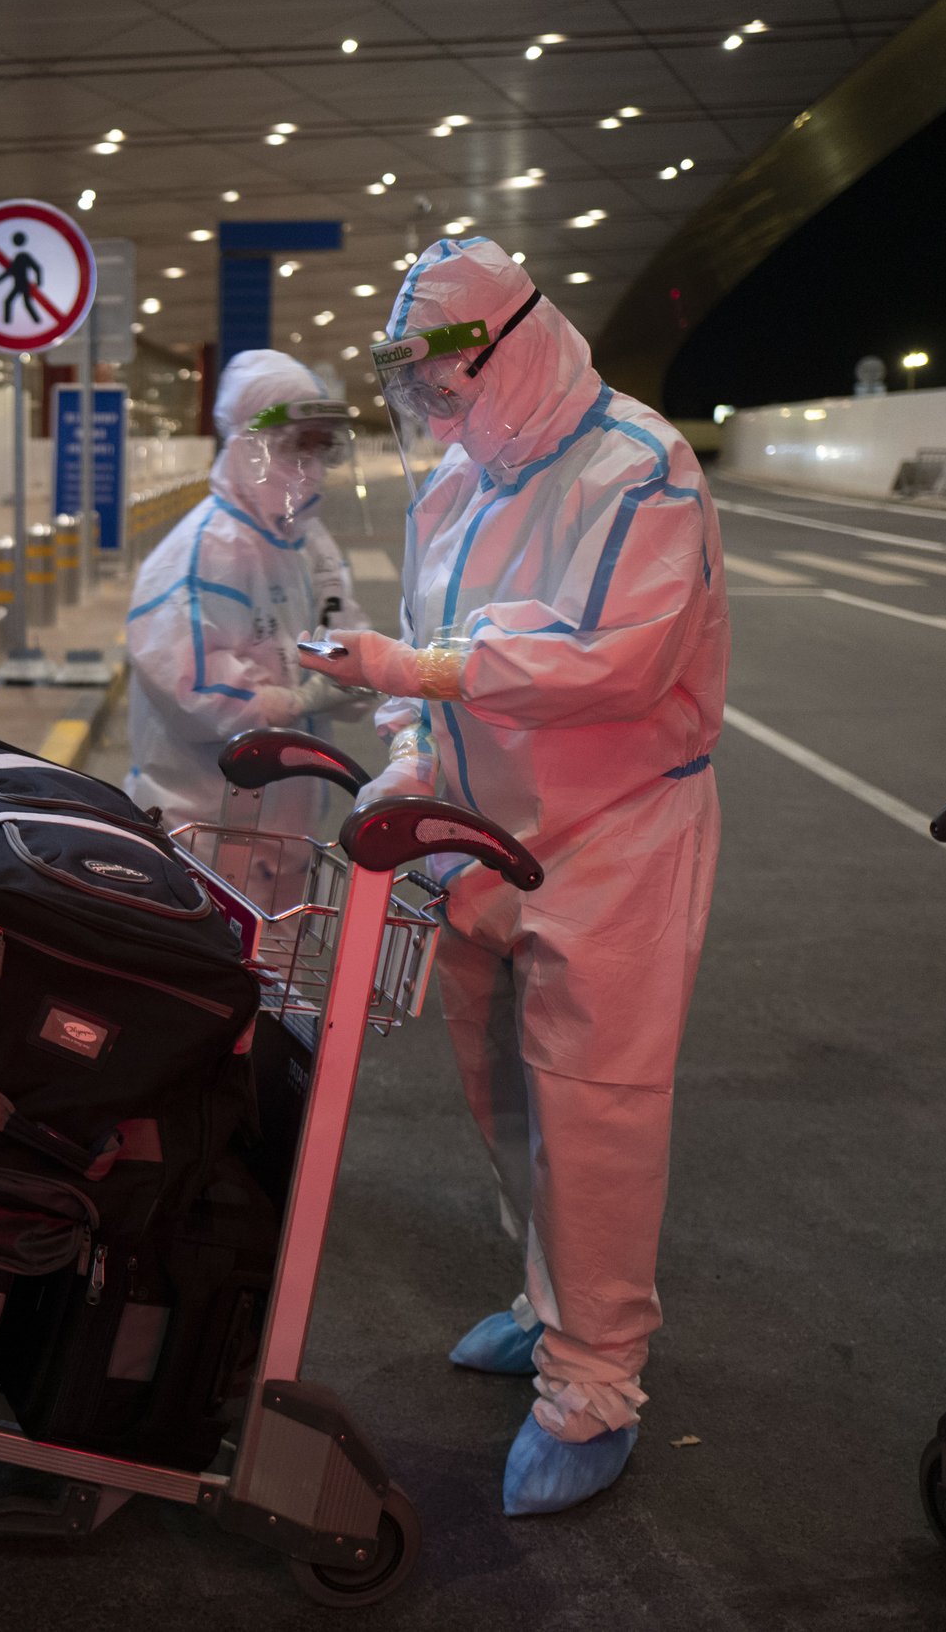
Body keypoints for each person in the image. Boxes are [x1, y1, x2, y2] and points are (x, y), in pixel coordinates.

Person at [299, 237, 727, 1517]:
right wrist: (413, 757)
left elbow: (616, 666)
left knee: (591, 1108)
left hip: (615, 839)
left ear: (513, 344)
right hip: (481, 831)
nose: (433, 410)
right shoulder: (457, 483)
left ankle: (595, 1378)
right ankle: (548, 1303)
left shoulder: (639, 468)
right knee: (499, 1089)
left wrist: (419, 680)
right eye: (414, 386)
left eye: (445, 381)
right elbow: (428, 638)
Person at [124, 349, 375, 840]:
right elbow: (190, 687)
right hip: (201, 834)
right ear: (247, 445)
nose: (312, 468)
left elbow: (330, 631)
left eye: (321, 449)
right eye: (297, 448)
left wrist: (345, 669)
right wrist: (294, 698)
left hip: (288, 830)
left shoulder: (307, 543)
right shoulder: (205, 552)